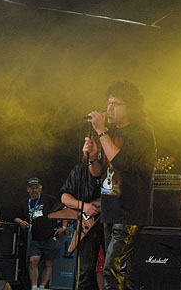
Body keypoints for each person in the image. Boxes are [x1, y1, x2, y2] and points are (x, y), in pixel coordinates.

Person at [86, 80, 156, 290]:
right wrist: (92, 157)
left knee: (112, 269)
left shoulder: (140, 132)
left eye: (116, 104)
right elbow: (97, 172)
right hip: (111, 209)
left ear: (130, 107)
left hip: (129, 210)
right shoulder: (111, 134)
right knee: (122, 272)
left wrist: (101, 132)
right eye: (108, 103)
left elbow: (121, 162)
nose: (109, 108)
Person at [61, 135, 104, 290]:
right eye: (86, 142)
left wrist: (92, 158)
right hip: (89, 225)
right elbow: (65, 197)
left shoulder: (109, 168)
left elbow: (98, 172)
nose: (88, 145)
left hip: (110, 223)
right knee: (86, 270)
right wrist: (84, 206)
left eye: (92, 142)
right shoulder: (79, 170)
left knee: (113, 267)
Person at [14, 177, 66, 290]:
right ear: (28, 189)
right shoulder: (24, 203)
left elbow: (64, 209)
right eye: (32, 188)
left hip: (50, 236)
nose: (35, 190)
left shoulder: (48, 199)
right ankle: (34, 287)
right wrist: (21, 222)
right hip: (35, 238)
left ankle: (42, 287)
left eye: (37, 188)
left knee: (49, 263)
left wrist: (63, 227)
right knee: (33, 261)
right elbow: (16, 218)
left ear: (40, 188)